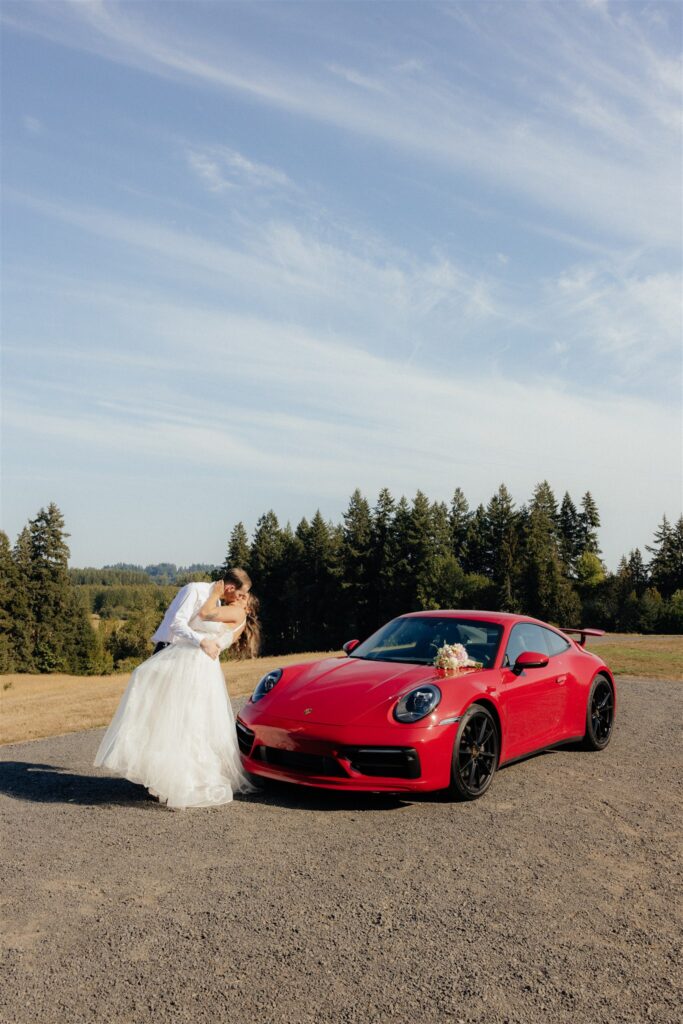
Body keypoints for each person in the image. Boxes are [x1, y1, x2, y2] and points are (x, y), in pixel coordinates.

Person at [94, 569, 259, 809]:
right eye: (242, 593)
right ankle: (158, 774)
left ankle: (179, 779)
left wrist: (205, 635)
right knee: (166, 716)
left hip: (197, 666)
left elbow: (207, 619)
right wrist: (201, 638)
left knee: (185, 722)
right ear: (232, 589)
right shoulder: (196, 590)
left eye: (246, 596)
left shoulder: (226, 606)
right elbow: (177, 624)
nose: (243, 597)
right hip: (180, 659)